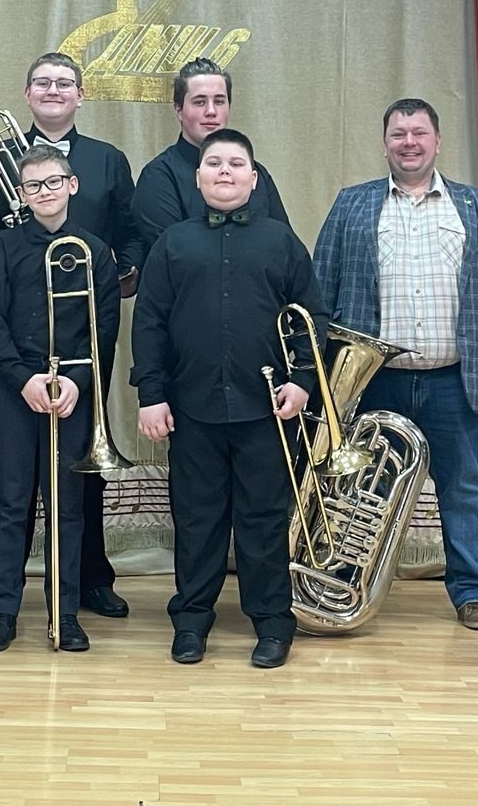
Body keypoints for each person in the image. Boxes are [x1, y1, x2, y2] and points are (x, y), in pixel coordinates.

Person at [312, 98, 478, 631]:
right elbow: (320, 286)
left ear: (437, 141)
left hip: (454, 378)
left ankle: (472, 593)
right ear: (384, 143)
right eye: (398, 134)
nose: (408, 142)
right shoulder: (352, 204)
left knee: (462, 487)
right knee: (358, 488)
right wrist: (315, 369)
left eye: (419, 133)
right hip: (371, 380)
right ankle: (342, 580)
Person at [131, 128, 326, 669]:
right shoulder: (173, 244)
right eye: (214, 163)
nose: (224, 171)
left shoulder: (281, 242)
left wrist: (303, 381)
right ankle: (191, 622)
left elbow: (312, 317)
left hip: (266, 409)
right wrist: (151, 394)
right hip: (191, 409)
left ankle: (272, 623)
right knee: (197, 521)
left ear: (254, 178)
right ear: (198, 178)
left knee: (264, 520)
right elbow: (149, 322)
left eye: (236, 164)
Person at [0, 52, 140, 621]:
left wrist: (115, 270)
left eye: (64, 83)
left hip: (81, 342)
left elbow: (131, 232)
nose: (53, 91)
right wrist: (15, 241)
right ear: (27, 93)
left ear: (81, 94)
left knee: (79, 480)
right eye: (42, 82)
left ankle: (86, 584)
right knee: (10, 486)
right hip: (18, 336)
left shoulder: (108, 160)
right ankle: (0, 588)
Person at [0, 145, 121, 653]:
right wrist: (23, 379)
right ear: (22, 193)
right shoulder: (2, 247)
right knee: (10, 501)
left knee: (68, 506)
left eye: (53, 182)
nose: (45, 192)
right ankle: (3, 611)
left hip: (72, 393)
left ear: (72, 185)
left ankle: (66, 612)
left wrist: (77, 380)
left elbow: (104, 329)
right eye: (33, 185)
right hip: (15, 390)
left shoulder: (95, 251)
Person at [131, 57, 288, 253]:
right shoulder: (159, 176)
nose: (211, 111)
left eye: (219, 101)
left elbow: (284, 246)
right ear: (179, 110)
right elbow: (172, 253)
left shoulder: (256, 173)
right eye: (200, 102)